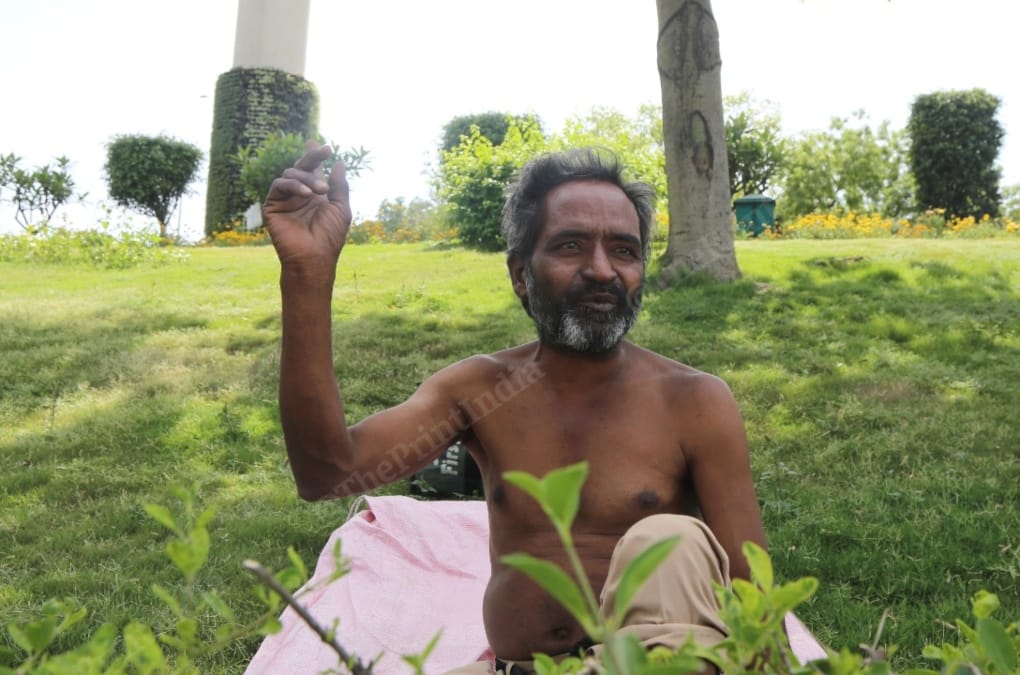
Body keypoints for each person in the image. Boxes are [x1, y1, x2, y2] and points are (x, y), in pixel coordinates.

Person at [264, 142, 767, 673]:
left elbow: (755, 598)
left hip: (662, 667)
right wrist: (307, 274)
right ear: (521, 275)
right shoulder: (480, 390)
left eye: (623, 250)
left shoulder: (694, 401)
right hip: (521, 668)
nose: (602, 270)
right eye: (571, 246)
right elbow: (327, 473)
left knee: (670, 538)